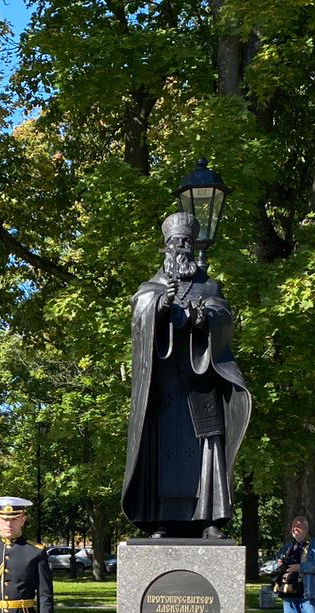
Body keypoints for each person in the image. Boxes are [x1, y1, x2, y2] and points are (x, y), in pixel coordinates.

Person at [121, 209, 252, 538]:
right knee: (160, 454)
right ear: (166, 248)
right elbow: (139, 322)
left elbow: (224, 320)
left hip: (200, 385)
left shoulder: (210, 286)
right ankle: (160, 520)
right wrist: (159, 309)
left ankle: (209, 520)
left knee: (205, 449)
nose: (182, 250)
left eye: (187, 244)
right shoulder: (149, 288)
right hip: (163, 392)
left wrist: (203, 319)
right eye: (176, 244)